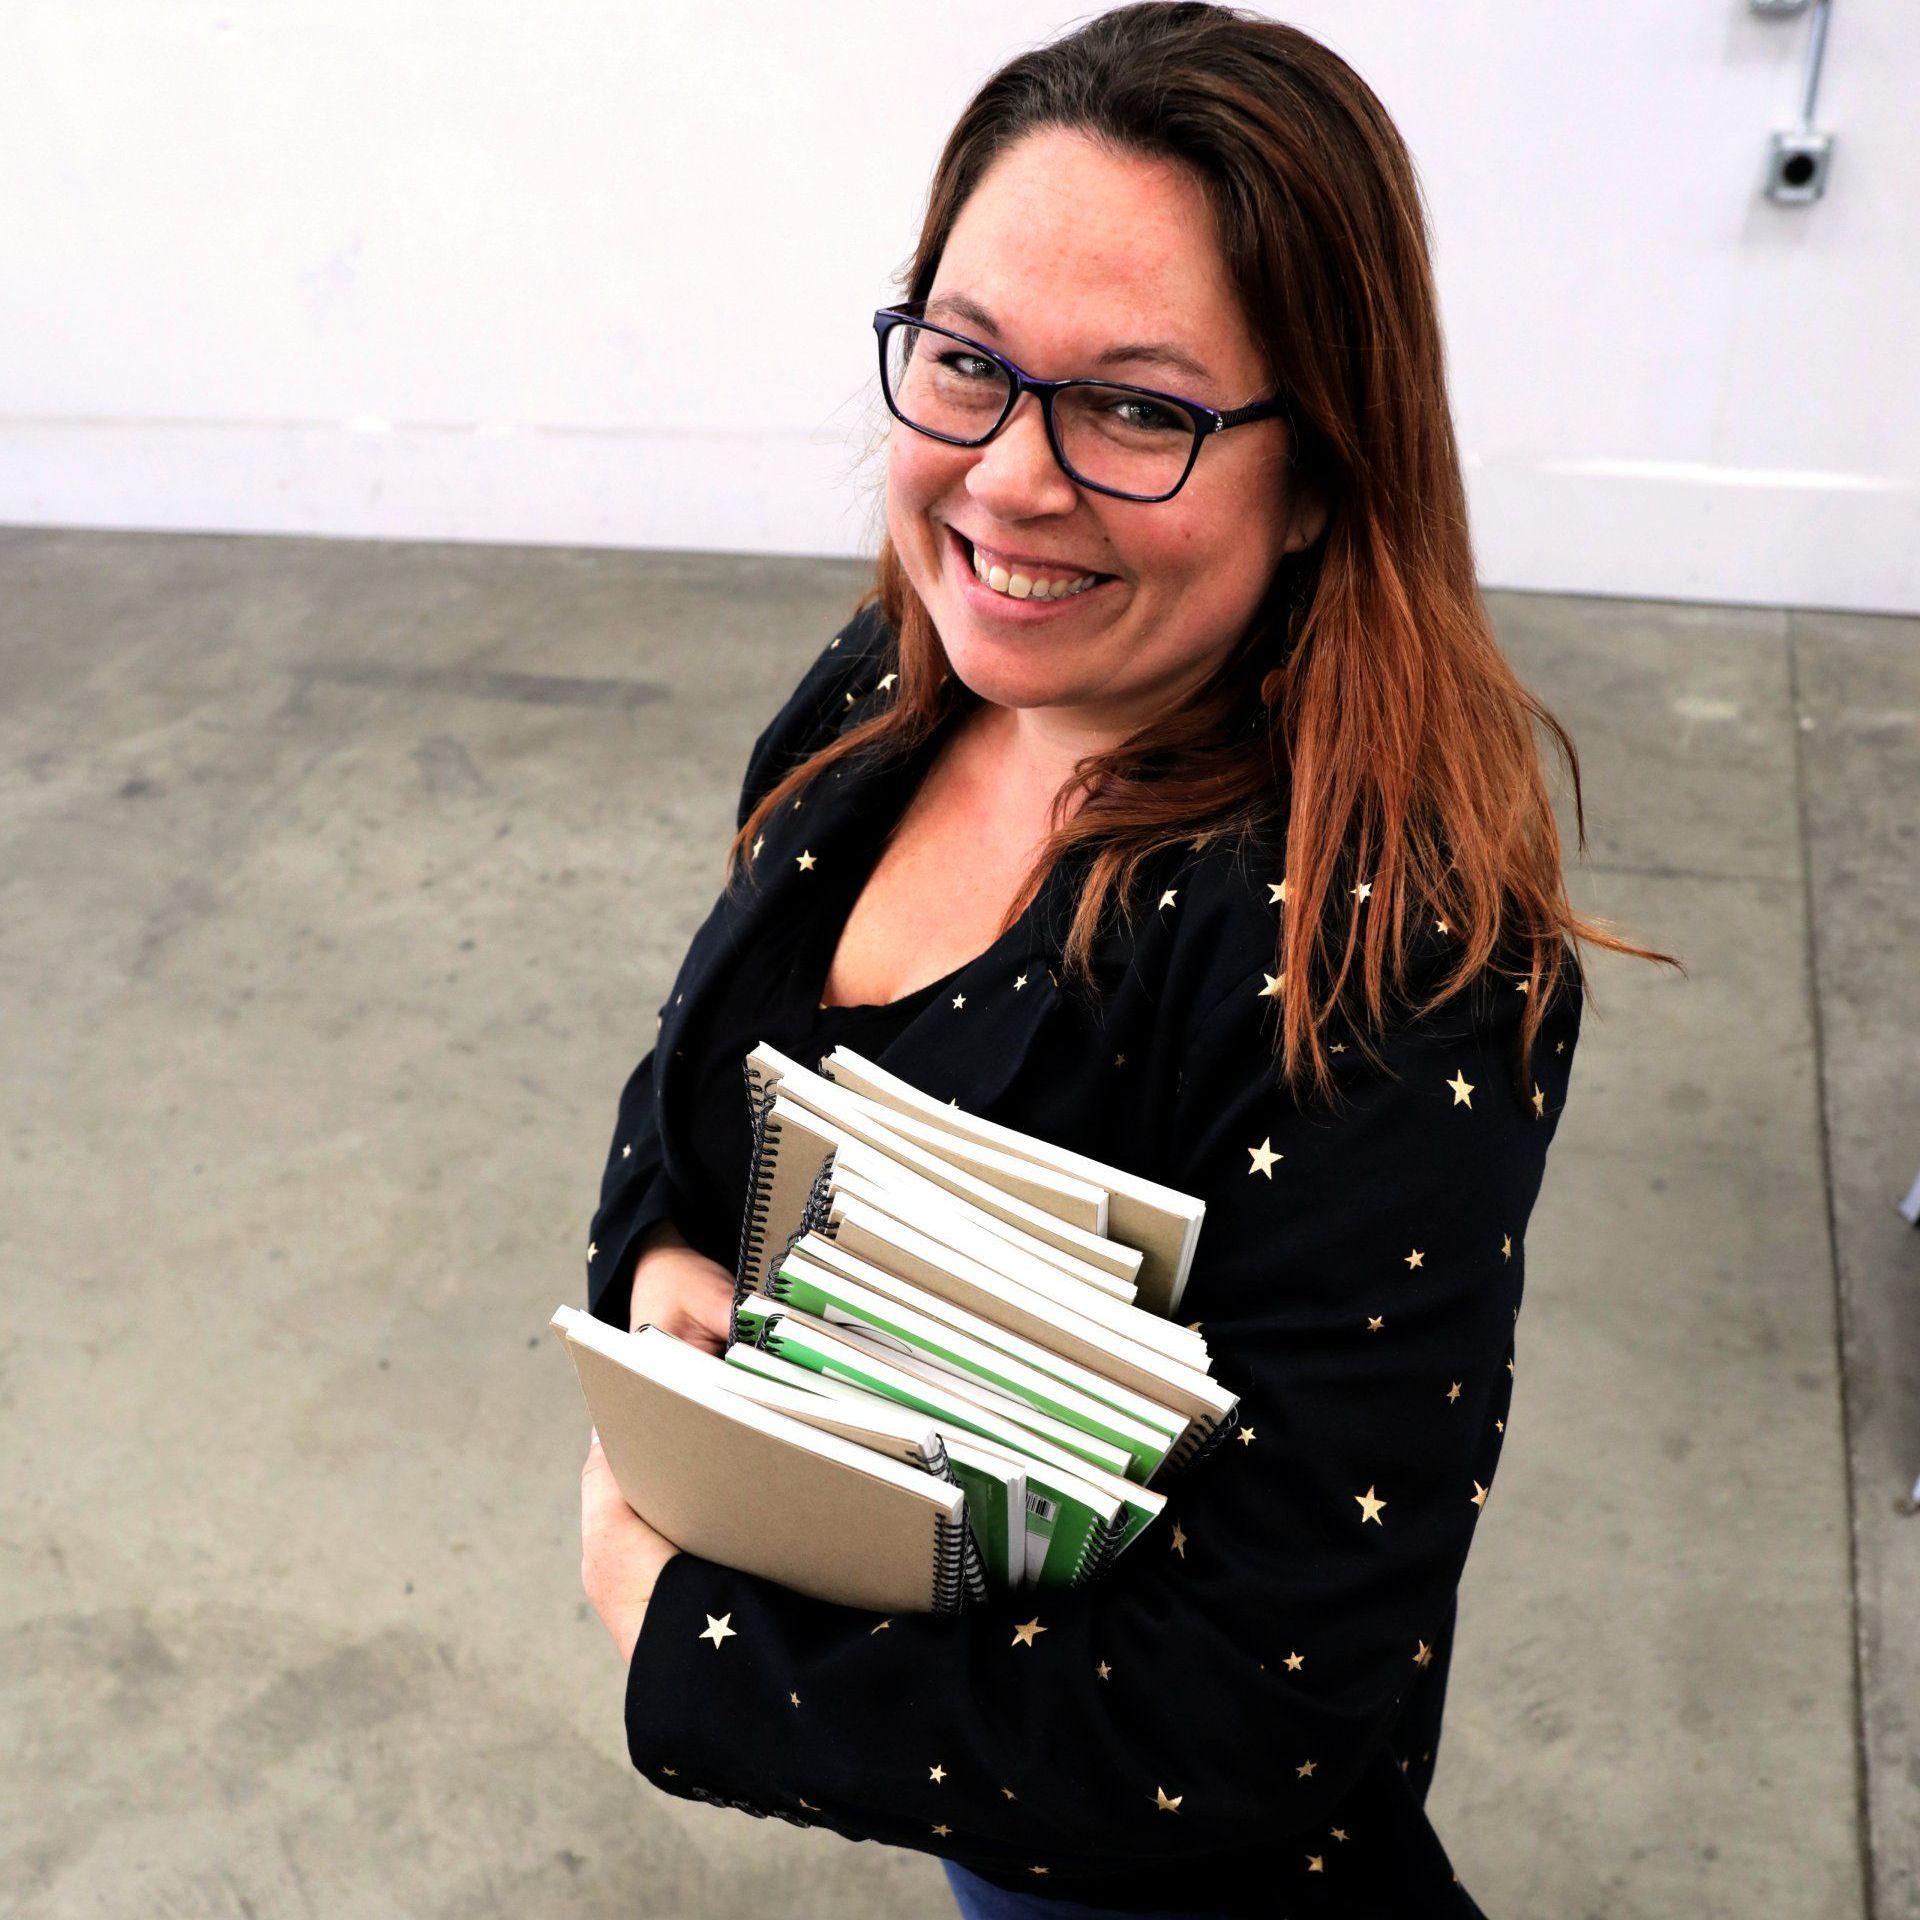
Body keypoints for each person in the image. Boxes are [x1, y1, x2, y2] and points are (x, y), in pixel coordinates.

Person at [575, 5, 1680, 1916]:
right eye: (966, 361)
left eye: (1141, 408)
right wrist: (669, 1275)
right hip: (996, 1814)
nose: (1008, 481)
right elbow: (696, 1094)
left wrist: (686, 1635)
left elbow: (1261, 1716)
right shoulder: (878, 705)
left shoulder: (1387, 967)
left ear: (1324, 469)